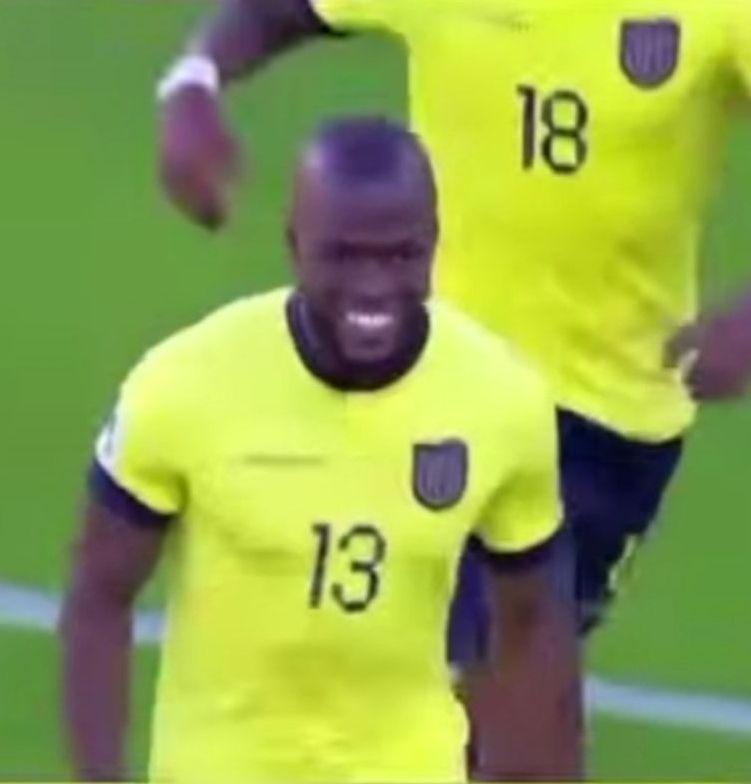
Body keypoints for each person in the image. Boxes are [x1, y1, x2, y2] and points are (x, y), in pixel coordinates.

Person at [156, 0, 751, 656]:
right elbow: (284, 11)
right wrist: (193, 81)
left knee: (476, 681)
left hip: (599, 427)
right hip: (429, 384)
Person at [61, 117, 581, 783]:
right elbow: (99, 593)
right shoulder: (184, 386)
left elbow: (532, 621)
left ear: (434, 245)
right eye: (342, 255)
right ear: (293, 245)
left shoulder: (501, 402)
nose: (372, 286)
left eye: (399, 255)